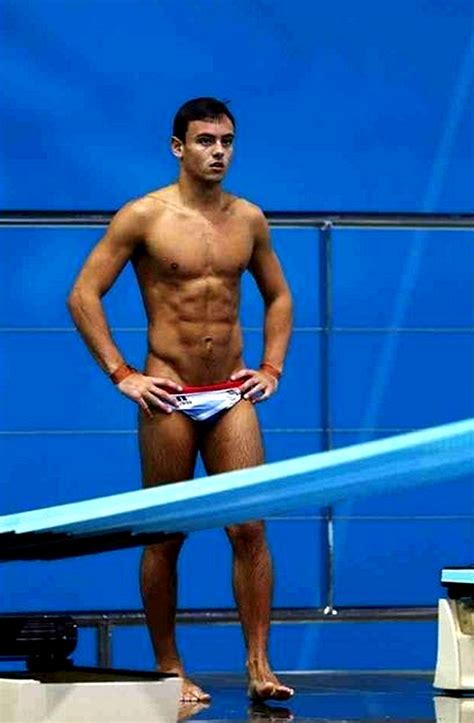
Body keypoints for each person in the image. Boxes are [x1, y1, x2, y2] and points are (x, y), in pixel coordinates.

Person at [67, 97, 294, 703]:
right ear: (178, 147)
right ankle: (170, 668)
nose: (217, 151)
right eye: (204, 141)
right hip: (166, 394)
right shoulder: (142, 216)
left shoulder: (248, 219)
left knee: (249, 528)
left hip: (229, 392)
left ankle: (259, 666)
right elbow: (84, 295)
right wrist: (122, 373)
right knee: (164, 537)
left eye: (226, 141)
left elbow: (279, 296)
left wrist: (271, 366)